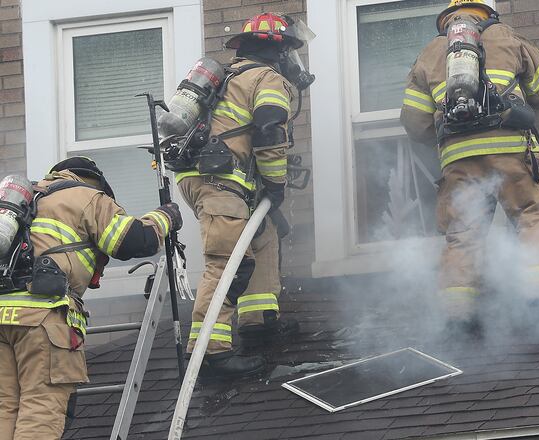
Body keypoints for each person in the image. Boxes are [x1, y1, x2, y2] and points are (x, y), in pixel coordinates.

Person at [400, 0, 539, 334]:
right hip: (511, 150)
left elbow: (415, 124)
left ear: (445, 21)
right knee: (534, 215)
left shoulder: (430, 53)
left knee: (462, 235)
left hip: (458, 159)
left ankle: (458, 314)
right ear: (485, 14)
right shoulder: (505, 37)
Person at [0, 157, 181, 440]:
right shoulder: (86, 196)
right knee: (42, 405)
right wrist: (166, 216)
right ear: (96, 181)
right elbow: (134, 240)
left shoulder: (22, 203)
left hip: (2, 315)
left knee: (5, 407)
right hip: (42, 318)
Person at [175, 12, 314, 377]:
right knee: (226, 261)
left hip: (209, 177)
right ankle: (209, 352)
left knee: (262, 236)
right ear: (279, 52)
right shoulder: (267, 78)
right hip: (221, 182)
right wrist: (276, 185)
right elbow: (270, 133)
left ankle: (258, 322)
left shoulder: (231, 78)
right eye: (290, 52)